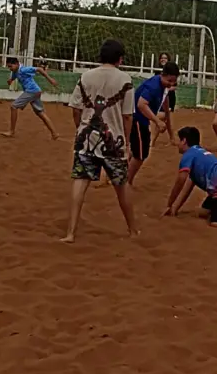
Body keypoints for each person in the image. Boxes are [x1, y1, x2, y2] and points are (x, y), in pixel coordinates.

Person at [62, 38, 138, 243]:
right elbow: (128, 116)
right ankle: (132, 230)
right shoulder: (125, 80)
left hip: (86, 140)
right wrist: (127, 143)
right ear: (120, 59)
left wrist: (80, 129)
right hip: (114, 142)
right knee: (121, 185)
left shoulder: (86, 77)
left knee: (80, 182)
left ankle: (71, 232)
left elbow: (76, 109)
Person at [128, 60, 179, 185]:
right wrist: (157, 121)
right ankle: (126, 182)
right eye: (169, 81)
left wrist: (167, 117)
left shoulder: (162, 86)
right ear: (163, 75)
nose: (171, 84)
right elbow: (141, 104)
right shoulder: (153, 86)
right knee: (140, 154)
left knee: (136, 149)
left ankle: (118, 170)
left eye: (174, 81)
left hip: (140, 119)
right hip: (137, 120)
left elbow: (165, 100)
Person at [1, 57, 60, 139]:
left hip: (31, 91)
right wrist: (10, 80)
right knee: (40, 113)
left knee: (13, 106)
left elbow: (39, 69)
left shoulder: (24, 69)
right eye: (8, 66)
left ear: (17, 64)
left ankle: (11, 131)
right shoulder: (15, 71)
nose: (9, 68)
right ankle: (54, 133)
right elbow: (14, 77)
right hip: (36, 91)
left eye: (11, 66)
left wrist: (50, 79)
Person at [151, 52, 178, 144]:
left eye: (165, 58)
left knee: (161, 117)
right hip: (159, 98)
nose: (163, 59)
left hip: (168, 98)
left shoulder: (172, 71)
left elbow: (175, 87)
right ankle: (172, 138)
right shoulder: (157, 71)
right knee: (167, 119)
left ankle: (152, 141)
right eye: (162, 58)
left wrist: (166, 88)